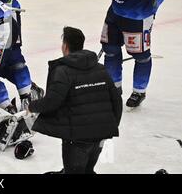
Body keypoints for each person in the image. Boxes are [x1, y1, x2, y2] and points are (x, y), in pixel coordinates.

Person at [27, 26, 122, 174]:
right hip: (99, 135)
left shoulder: (63, 71)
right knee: (87, 170)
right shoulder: (100, 69)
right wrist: (109, 127)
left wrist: (32, 106)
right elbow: (116, 101)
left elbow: (52, 101)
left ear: (65, 46)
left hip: (77, 139)